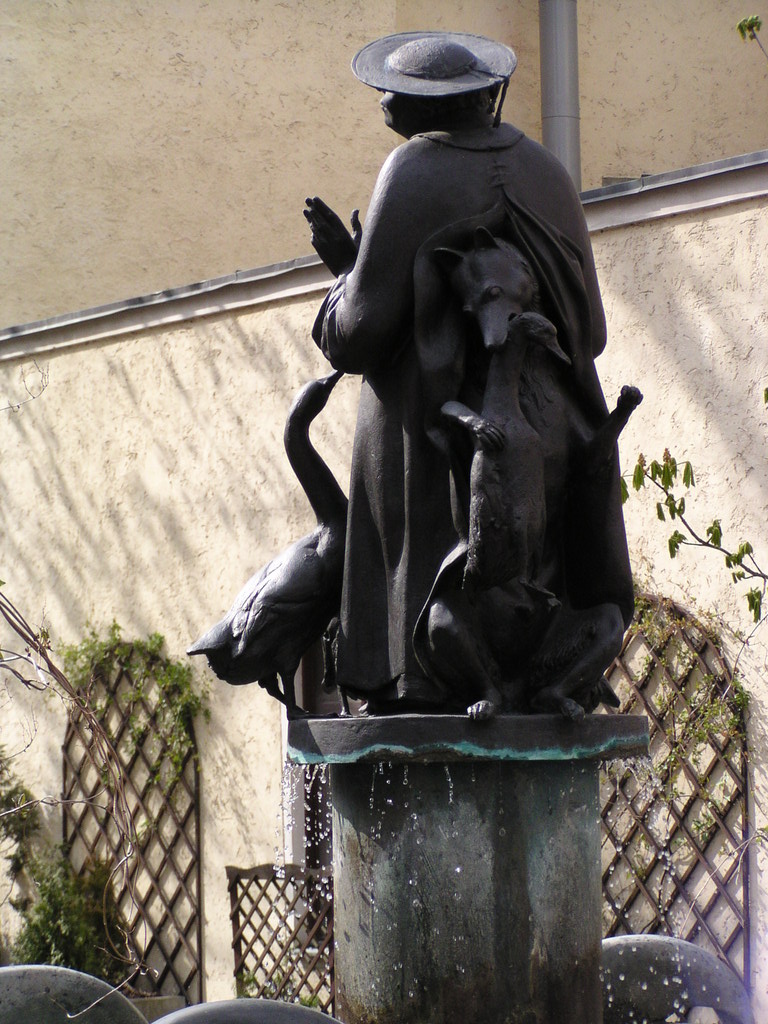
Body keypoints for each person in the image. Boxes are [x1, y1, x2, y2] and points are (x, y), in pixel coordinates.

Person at [304, 31, 633, 712]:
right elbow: (593, 333)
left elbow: (358, 336)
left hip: (435, 454)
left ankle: (417, 680)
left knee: (427, 664)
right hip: (547, 452)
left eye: (392, 93)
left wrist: (344, 275)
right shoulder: (547, 172)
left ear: (426, 106)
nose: (384, 102)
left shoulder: (413, 169)